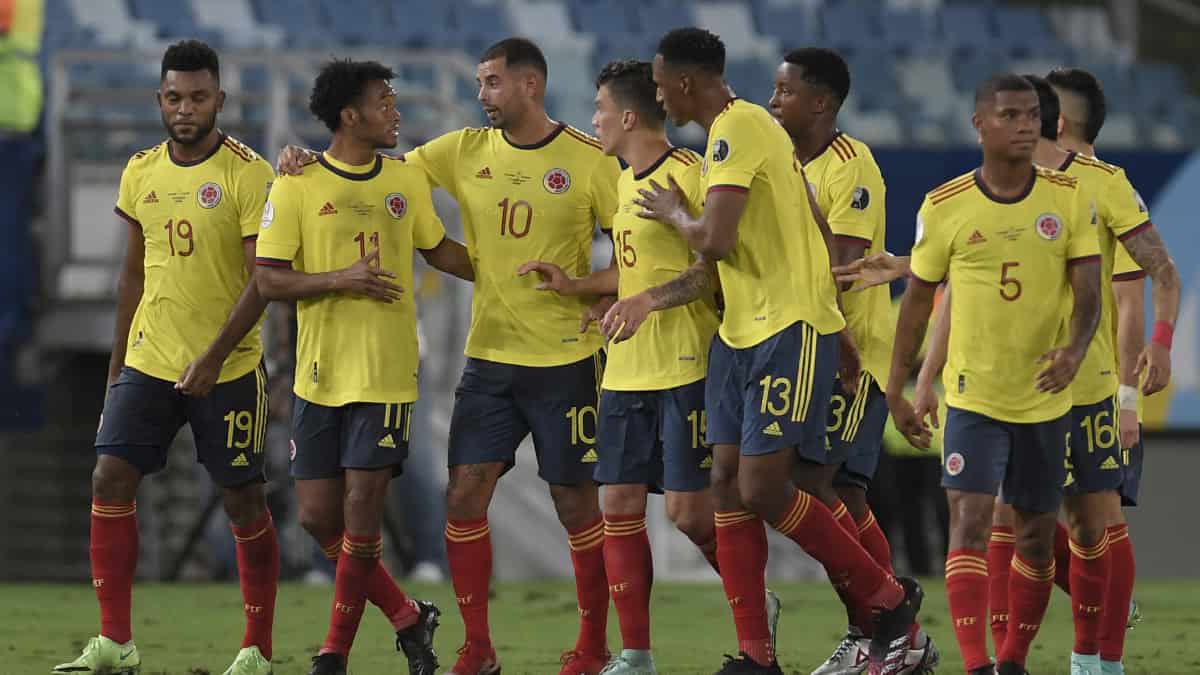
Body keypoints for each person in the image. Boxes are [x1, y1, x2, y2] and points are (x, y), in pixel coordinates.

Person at [276, 37, 621, 675]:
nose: (480, 94)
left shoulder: (590, 159)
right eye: (480, 82)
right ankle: (478, 649)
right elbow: (374, 166)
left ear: (530, 86)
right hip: (487, 360)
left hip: (567, 360)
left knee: (575, 504)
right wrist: (303, 159)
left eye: (492, 82)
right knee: (463, 500)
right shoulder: (461, 150)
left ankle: (594, 647)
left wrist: (595, 294)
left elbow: (635, 256)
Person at [638, 28, 921, 675]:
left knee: (778, 485)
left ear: (684, 83)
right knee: (727, 484)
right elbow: (813, 223)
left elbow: (715, 239)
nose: (657, 97)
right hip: (741, 332)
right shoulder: (747, 137)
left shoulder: (739, 129)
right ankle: (757, 656)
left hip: (785, 329)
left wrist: (674, 214)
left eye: (660, 85)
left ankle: (886, 604)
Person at [54, 40, 279, 675]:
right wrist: (116, 365)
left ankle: (257, 650)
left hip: (228, 368)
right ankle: (115, 643)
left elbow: (261, 282)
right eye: (175, 98)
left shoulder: (248, 173)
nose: (185, 109)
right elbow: (133, 275)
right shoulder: (140, 171)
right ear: (159, 100)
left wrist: (212, 357)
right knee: (109, 478)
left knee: (242, 501)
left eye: (198, 97)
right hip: (150, 359)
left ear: (219, 100)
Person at [255, 58, 473, 675]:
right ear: (349, 116)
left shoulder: (404, 180)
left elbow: (441, 251)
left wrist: (510, 270)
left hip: (386, 375)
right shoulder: (296, 184)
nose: (396, 112)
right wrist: (339, 278)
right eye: (384, 102)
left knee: (360, 515)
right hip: (317, 376)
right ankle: (406, 614)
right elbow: (269, 279)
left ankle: (335, 653)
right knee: (317, 516)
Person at [519, 58, 736, 675]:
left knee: (688, 515)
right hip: (623, 371)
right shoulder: (620, 183)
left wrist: (647, 301)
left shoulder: (689, 174)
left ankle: (751, 601)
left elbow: (714, 270)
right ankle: (636, 654)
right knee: (616, 504)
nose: (594, 121)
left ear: (630, 116)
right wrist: (583, 289)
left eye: (601, 110)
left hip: (687, 366)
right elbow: (632, 271)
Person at [887, 74, 1103, 675]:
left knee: (1035, 536)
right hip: (973, 396)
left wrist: (1074, 351)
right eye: (1009, 115)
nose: (1025, 125)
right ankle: (976, 665)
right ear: (979, 124)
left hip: (1043, 398)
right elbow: (918, 303)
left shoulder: (1069, 198)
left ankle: (1011, 661)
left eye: (1032, 115)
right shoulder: (945, 204)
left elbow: (1089, 294)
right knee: (970, 521)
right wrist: (899, 387)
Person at [767, 47, 937, 675]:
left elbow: (839, 269)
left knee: (823, 484)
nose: (772, 101)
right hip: (799, 343)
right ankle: (882, 626)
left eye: (785, 92)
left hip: (852, 351)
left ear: (821, 103)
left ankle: (889, 625)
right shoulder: (780, 160)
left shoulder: (851, 166)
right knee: (825, 487)